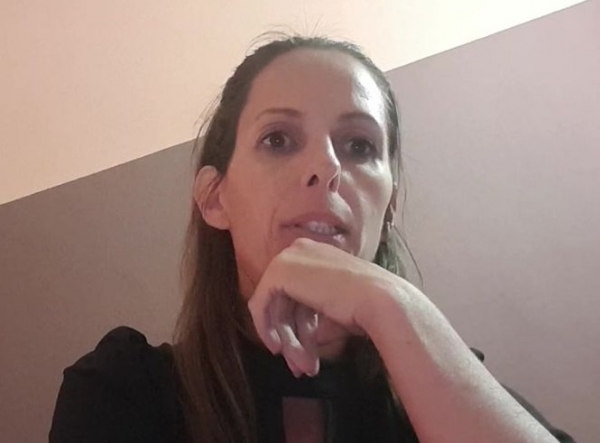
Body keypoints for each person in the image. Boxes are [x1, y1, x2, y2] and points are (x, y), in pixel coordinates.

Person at [49, 34, 575, 443]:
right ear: (214, 198)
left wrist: (391, 305)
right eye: (278, 139)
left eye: (359, 146)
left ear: (389, 207)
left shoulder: (447, 389)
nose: (326, 167)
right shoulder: (124, 391)